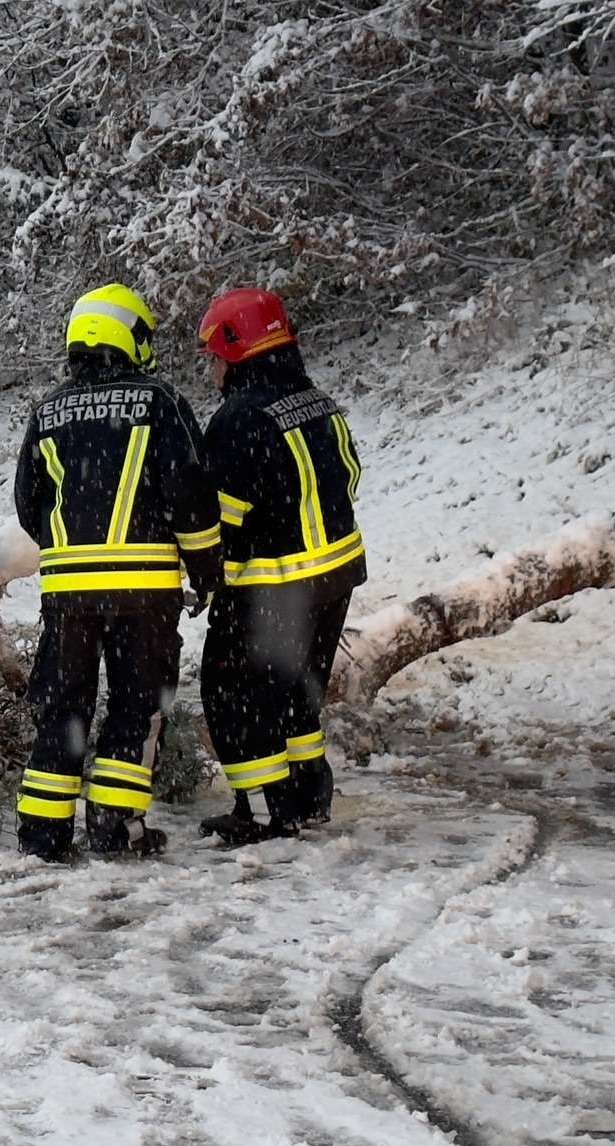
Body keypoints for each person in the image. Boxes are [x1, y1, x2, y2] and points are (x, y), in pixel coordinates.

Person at [12, 284, 224, 861]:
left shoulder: (48, 410)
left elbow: (29, 503)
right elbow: (192, 496)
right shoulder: (160, 402)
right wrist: (206, 567)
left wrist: (68, 552)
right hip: (143, 590)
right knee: (137, 708)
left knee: (62, 709)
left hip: (66, 596)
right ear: (125, 335)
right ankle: (113, 830)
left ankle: (42, 837)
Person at [193, 288, 368, 845]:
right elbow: (350, 479)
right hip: (335, 576)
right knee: (298, 690)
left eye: (215, 359)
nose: (213, 372)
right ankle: (307, 795)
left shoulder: (237, 419)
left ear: (237, 349)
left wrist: (198, 565)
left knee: (235, 691)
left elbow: (221, 518)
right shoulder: (320, 402)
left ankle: (263, 811)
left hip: (273, 584)